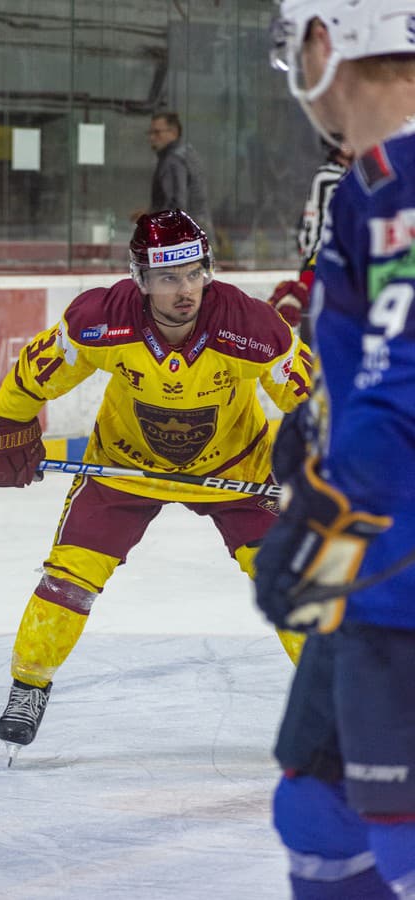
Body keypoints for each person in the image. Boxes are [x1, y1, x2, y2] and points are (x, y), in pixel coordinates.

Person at [0, 208, 312, 759]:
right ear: (141, 280)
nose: (186, 291)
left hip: (235, 471)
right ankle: (28, 686)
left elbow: (314, 404)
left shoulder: (253, 329)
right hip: (125, 468)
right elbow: (34, 372)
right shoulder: (101, 319)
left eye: (194, 273)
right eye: (167, 277)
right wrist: (9, 425)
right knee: (70, 577)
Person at [254, 2, 415, 897]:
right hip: (371, 552)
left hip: (392, 561)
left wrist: (318, 512)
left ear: (327, 41)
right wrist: (312, 425)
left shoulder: (404, 177)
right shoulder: (371, 181)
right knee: (316, 809)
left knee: (394, 836)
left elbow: (407, 391)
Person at [266, 136, 353, 343]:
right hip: (323, 256)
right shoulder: (330, 176)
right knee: (318, 318)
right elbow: (318, 223)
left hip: (336, 257)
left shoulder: (350, 173)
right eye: (343, 141)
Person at [132, 113, 215, 240]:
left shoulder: (173, 160)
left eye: (157, 132)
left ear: (173, 132)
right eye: (150, 132)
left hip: (185, 240)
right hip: (198, 233)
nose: (152, 137)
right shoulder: (186, 152)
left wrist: (150, 219)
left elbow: (176, 204)